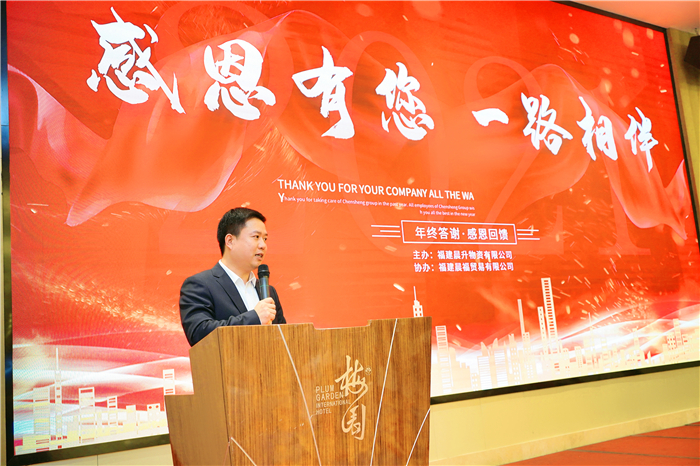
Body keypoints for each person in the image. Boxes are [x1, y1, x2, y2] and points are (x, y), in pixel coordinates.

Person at [179, 207, 286, 346]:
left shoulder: (268, 291)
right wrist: (254, 318)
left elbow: (285, 341)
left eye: (265, 239)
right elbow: (199, 333)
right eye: (256, 237)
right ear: (230, 241)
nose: (263, 245)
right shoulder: (199, 285)